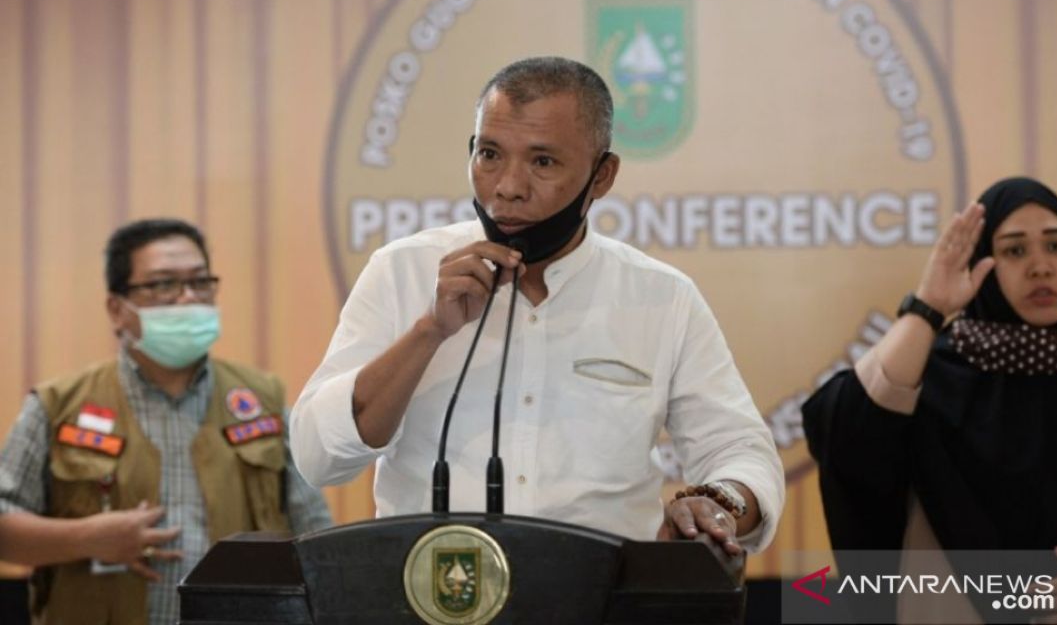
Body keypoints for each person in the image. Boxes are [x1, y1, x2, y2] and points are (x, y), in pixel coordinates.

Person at [290, 56, 784, 555]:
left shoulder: (661, 297)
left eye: (542, 162)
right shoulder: (403, 271)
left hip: (604, 603)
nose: (508, 187)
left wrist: (718, 504)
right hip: (431, 598)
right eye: (489, 155)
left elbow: (741, 452)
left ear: (602, 176)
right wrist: (429, 331)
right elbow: (318, 458)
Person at [802, 177, 1057, 624]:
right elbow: (843, 432)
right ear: (983, 264)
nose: (1040, 267)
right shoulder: (932, 377)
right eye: (1014, 250)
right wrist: (929, 308)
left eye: (1056, 246)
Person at [0, 218, 333, 625]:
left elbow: (316, 540)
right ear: (117, 309)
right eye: (162, 285)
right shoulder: (58, 406)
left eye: (200, 282)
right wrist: (86, 538)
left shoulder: (262, 401)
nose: (187, 299)